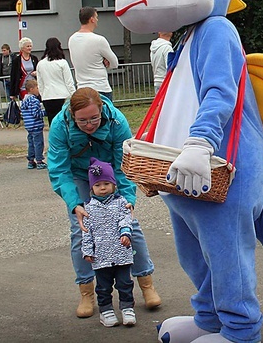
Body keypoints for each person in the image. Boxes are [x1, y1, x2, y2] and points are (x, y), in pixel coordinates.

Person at [47, 87, 161, 318]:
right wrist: (74, 203)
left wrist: (128, 200)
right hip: (80, 176)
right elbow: (59, 169)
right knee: (80, 230)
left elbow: (125, 163)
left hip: (110, 174)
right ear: (72, 114)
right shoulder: (60, 125)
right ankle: (86, 291)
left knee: (129, 226)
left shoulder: (117, 121)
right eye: (82, 121)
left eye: (94, 119)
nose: (89, 125)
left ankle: (146, 283)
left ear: (101, 110)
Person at [81, 157, 136, 328]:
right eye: (97, 185)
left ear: (113, 185)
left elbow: (126, 219)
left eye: (106, 184)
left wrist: (126, 232)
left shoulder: (121, 203)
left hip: (121, 252)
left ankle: (127, 309)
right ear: (92, 188)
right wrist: (88, 251)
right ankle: (106, 311)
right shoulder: (88, 208)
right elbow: (86, 232)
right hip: (101, 256)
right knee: (103, 287)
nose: (102, 188)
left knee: (125, 283)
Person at [68, 7, 120, 101]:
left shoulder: (72, 39)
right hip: (100, 88)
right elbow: (115, 63)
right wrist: (106, 63)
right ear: (91, 19)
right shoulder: (99, 40)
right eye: (96, 17)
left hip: (82, 88)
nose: (97, 20)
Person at [36, 37, 76, 125]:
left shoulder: (40, 64)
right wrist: (74, 95)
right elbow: (69, 82)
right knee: (66, 122)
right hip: (63, 96)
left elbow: (40, 83)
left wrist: (43, 95)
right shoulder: (62, 62)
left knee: (53, 123)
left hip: (48, 96)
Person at [20, 79, 46, 170]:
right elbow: (36, 114)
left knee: (31, 143)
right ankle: (39, 161)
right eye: (37, 88)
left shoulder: (24, 100)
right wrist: (45, 112)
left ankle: (31, 161)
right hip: (36, 125)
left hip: (29, 126)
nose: (38, 90)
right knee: (39, 143)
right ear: (31, 89)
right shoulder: (34, 101)